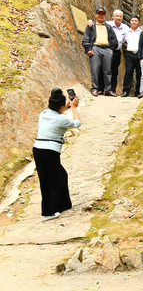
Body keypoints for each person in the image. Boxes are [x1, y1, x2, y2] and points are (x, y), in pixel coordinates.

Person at [32, 88, 81, 221]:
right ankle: (47, 213)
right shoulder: (62, 119)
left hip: (39, 149)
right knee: (49, 182)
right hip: (48, 151)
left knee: (61, 175)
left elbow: (58, 110)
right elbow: (77, 123)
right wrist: (74, 108)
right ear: (60, 106)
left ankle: (63, 204)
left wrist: (68, 105)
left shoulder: (44, 113)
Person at [81, 7, 118, 97]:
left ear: (105, 15)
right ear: (96, 15)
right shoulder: (91, 25)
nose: (101, 16)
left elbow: (114, 39)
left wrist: (111, 49)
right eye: (99, 14)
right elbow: (86, 38)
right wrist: (88, 49)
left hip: (107, 49)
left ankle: (108, 90)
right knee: (95, 69)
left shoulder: (108, 27)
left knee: (108, 70)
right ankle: (95, 88)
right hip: (95, 48)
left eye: (102, 14)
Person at [122, 15, 143, 97]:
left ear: (139, 22)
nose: (134, 22)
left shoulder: (142, 32)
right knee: (128, 72)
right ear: (130, 22)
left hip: (139, 54)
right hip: (129, 54)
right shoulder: (126, 31)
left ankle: (138, 91)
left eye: (136, 21)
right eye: (132, 20)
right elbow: (122, 40)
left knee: (139, 73)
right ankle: (126, 91)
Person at [109, 9, 129, 95]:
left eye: (120, 16)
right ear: (113, 17)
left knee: (114, 71)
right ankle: (102, 89)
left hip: (117, 51)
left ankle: (112, 90)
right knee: (105, 69)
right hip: (107, 50)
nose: (118, 18)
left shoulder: (125, 27)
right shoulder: (108, 24)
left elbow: (130, 36)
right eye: (117, 16)